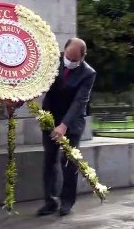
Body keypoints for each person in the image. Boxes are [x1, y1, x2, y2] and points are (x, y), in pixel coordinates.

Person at [36, 38, 96, 217]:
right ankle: (50, 201)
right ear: (64, 51)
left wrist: (64, 125)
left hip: (72, 121)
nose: (69, 62)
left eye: (74, 59)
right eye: (68, 57)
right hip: (50, 117)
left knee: (69, 162)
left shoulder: (88, 73)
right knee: (49, 160)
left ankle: (67, 201)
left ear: (82, 57)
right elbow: (37, 84)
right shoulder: (54, 61)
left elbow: (80, 102)